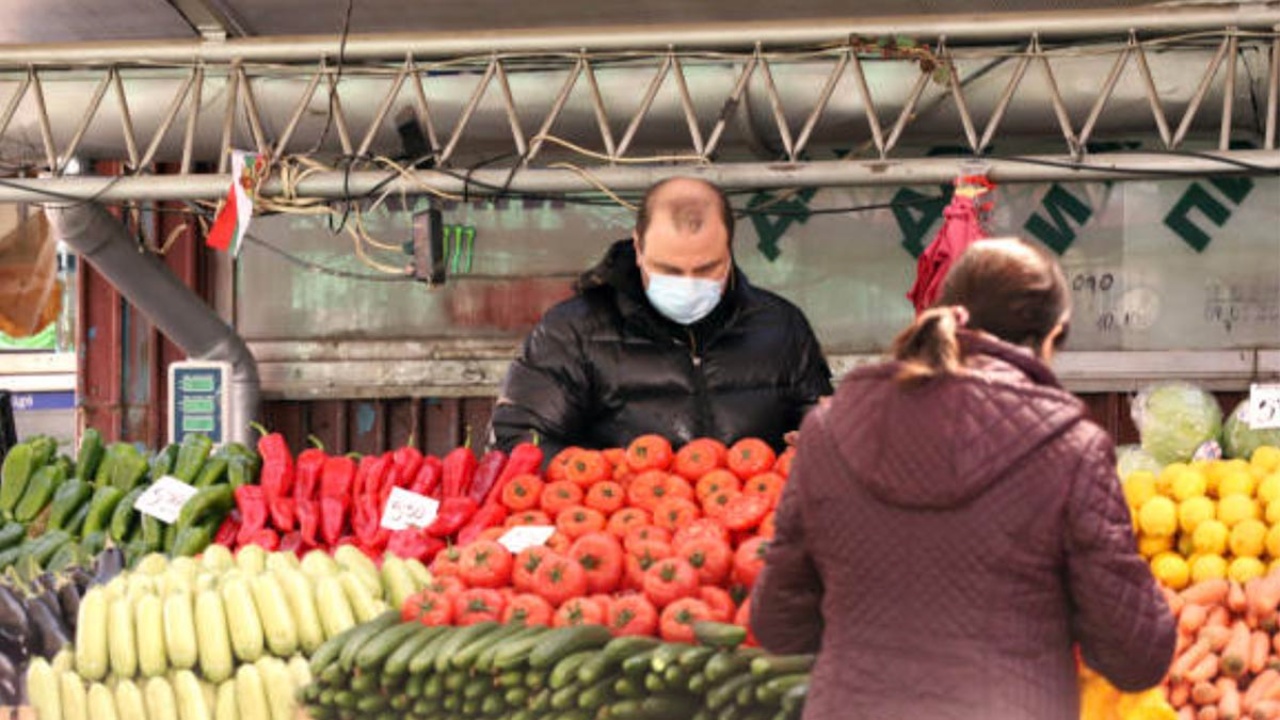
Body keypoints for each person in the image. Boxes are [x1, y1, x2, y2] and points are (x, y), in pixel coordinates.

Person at [750, 238, 1175, 720]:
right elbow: (1136, 656)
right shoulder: (1071, 449)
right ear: (1053, 336)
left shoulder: (828, 433)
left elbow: (779, 625)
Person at [489, 176, 832, 462]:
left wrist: (820, 436)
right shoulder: (573, 331)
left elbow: (815, 419)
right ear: (638, 248)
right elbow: (520, 441)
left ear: (729, 250)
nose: (687, 283)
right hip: (618, 528)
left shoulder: (781, 325)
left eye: (706, 268)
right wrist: (606, 479)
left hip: (751, 525)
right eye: (669, 269)